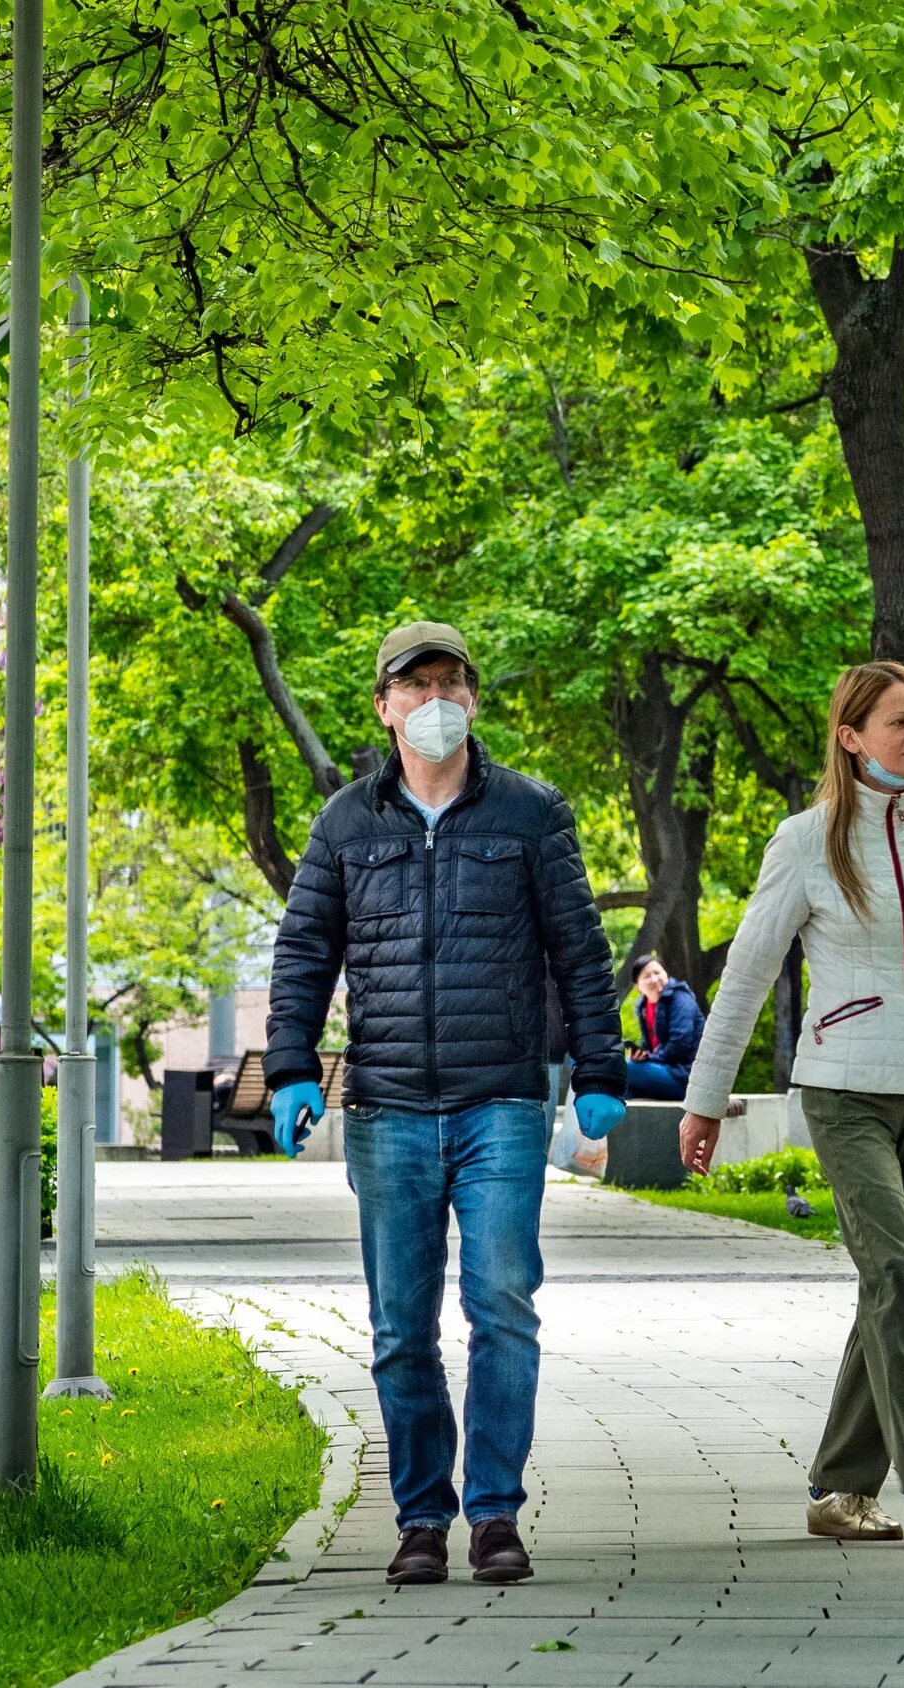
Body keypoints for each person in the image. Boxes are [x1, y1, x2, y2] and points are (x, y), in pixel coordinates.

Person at [262, 620, 629, 1585]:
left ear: (473, 700)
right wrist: (291, 1066)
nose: (434, 702)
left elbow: (580, 951)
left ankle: (496, 1515)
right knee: (399, 1329)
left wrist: (601, 1072)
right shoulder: (346, 824)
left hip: (501, 1100)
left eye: (450, 684)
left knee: (502, 1307)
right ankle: (421, 1518)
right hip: (386, 1108)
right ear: (383, 706)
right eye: (414, 686)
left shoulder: (530, 813)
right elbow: (304, 953)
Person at [677, 661, 904, 1544]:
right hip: (841, 1087)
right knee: (899, 1264)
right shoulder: (806, 840)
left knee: (887, 1280)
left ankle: (839, 1489)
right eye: (899, 721)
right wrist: (704, 1101)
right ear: (850, 734)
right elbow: (748, 975)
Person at [621, 953, 705, 1101]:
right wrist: (641, 1057)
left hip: (686, 1076)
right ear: (637, 986)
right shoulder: (643, 1007)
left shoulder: (680, 998)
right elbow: (650, 1047)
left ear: (665, 973)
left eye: (657, 972)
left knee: (623, 1069)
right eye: (647, 976)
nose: (654, 979)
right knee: (619, 1088)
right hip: (664, 1070)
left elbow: (680, 1044)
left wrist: (651, 1059)